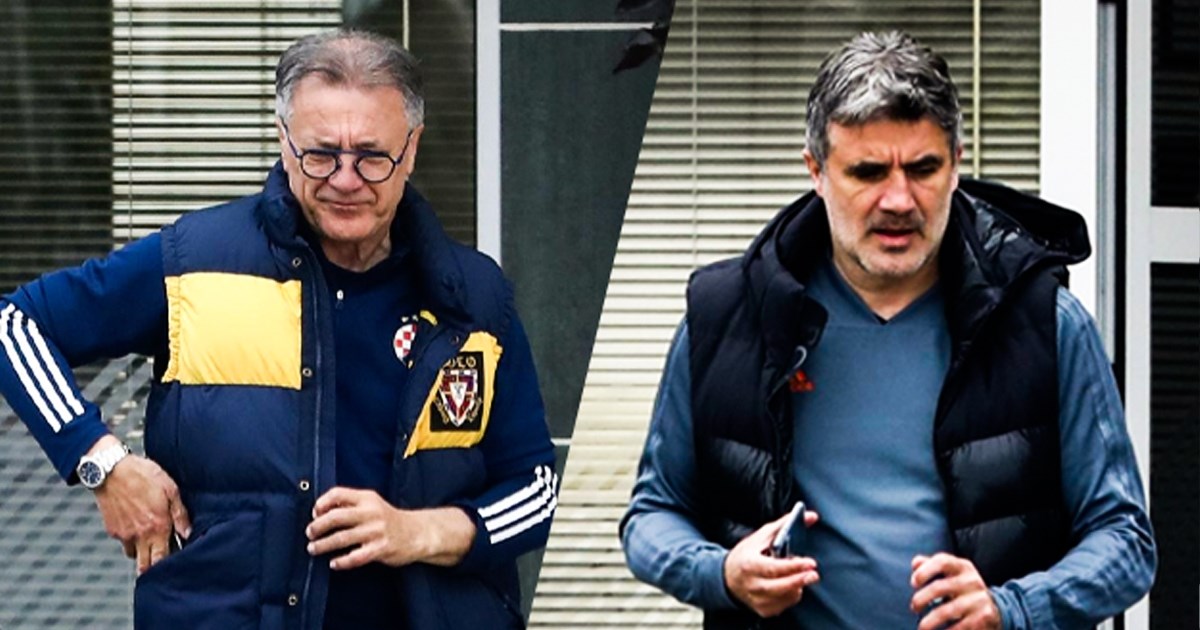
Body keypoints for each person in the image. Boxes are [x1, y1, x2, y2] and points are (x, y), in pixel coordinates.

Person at [0, 29, 556, 630]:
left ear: (412, 148)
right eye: (321, 154)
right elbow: (13, 324)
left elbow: (538, 490)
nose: (346, 179)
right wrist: (101, 462)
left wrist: (420, 531)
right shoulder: (197, 262)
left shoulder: (474, 296)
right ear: (284, 142)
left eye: (372, 157)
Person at [620, 31, 1156, 630]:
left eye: (923, 168)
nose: (899, 199)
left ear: (956, 164)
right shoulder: (728, 318)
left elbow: (1125, 541)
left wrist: (1013, 608)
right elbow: (652, 515)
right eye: (868, 172)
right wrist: (720, 573)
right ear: (816, 171)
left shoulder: (1045, 324)